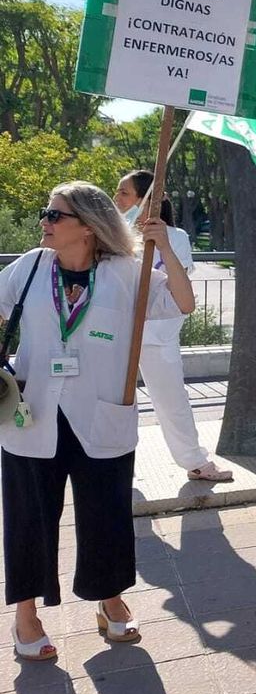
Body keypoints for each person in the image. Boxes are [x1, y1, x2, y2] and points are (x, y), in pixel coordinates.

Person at [4, 181, 196, 659]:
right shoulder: (30, 267)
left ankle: (109, 600)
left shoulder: (127, 273)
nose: (44, 222)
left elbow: (183, 302)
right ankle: (25, 615)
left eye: (55, 216)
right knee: (30, 518)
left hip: (103, 414)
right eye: (46, 213)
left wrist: (166, 245)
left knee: (106, 516)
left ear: (88, 228)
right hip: (32, 414)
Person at [111, 170, 231, 483]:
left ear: (147, 199)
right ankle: (111, 467)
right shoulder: (111, 235)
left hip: (158, 335)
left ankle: (194, 461)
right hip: (115, 333)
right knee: (115, 402)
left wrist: (158, 241)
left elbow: (179, 287)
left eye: (124, 193)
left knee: (171, 400)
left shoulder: (175, 238)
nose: (117, 199)